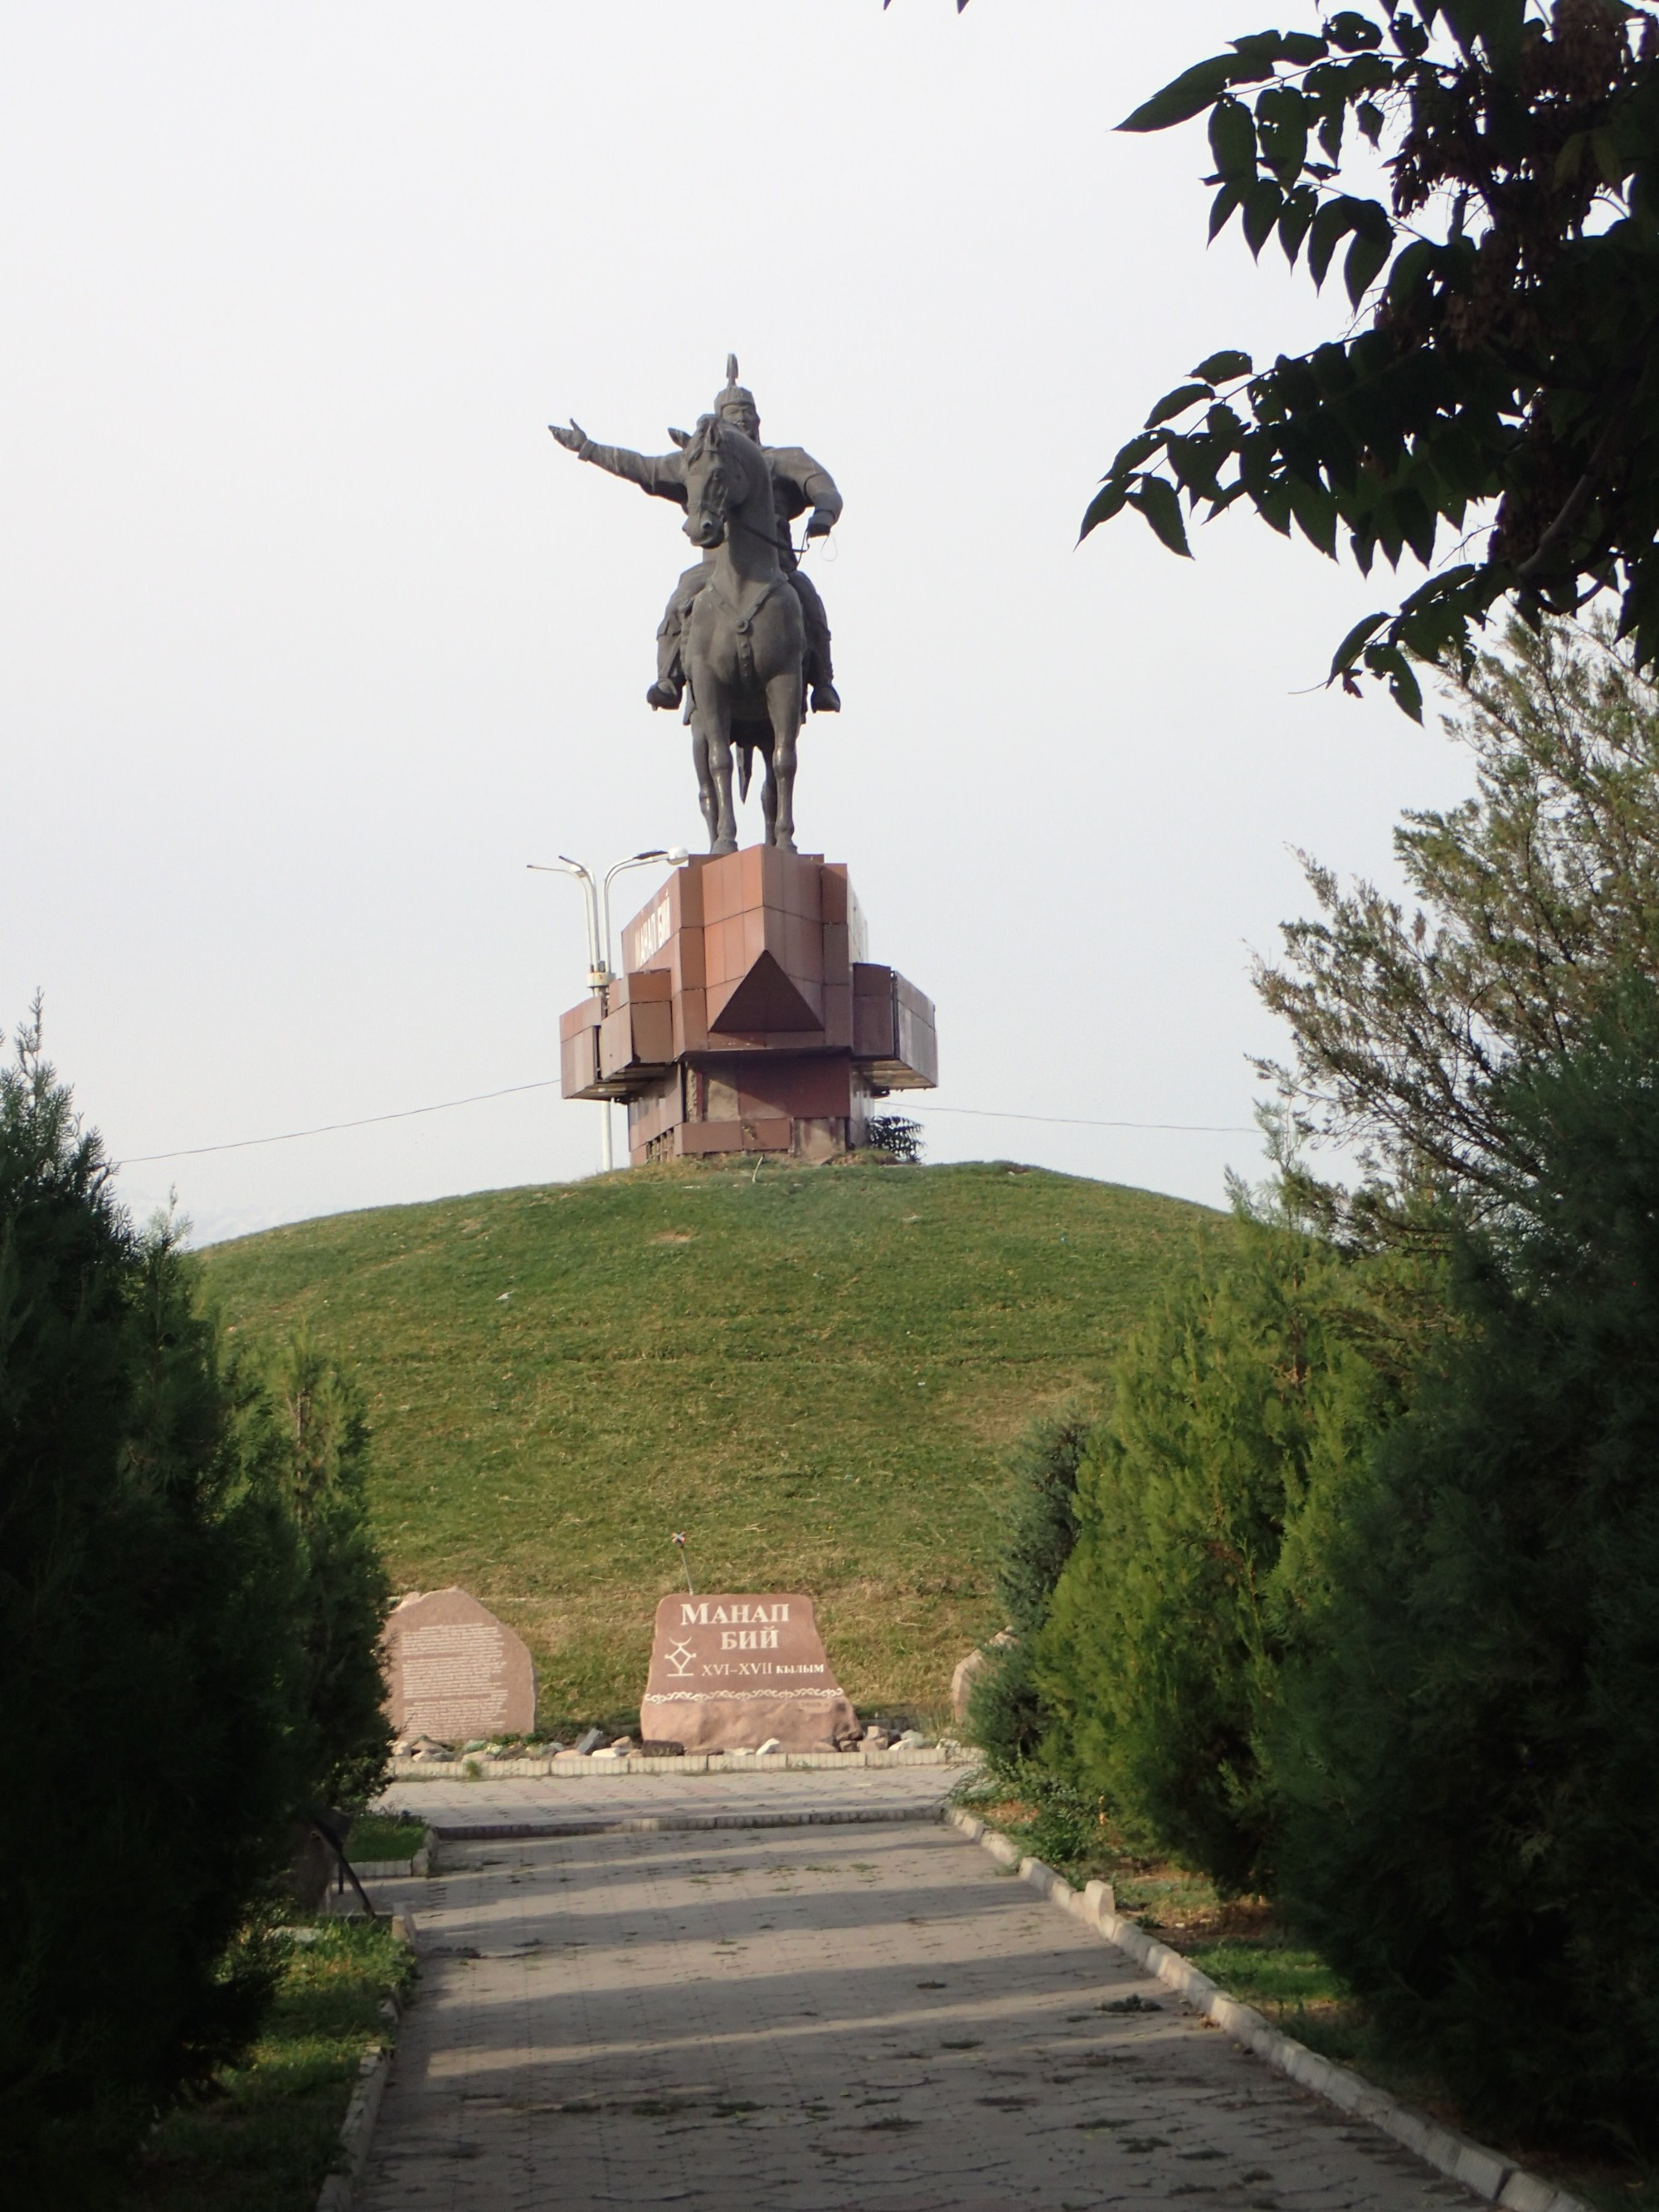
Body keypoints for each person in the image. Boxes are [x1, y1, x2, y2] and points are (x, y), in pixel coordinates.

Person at [550, 357, 842, 713]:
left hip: (776, 565)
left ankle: (823, 682)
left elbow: (824, 488)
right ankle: (668, 676)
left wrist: (824, 513)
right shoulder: (703, 462)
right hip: (716, 568)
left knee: (808, 599)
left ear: (757, 421)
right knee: (682, 596)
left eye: (746, 415)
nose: (741, 422)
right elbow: (646, 467)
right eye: (733, 417)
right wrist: (590, 449)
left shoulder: (784, 459)